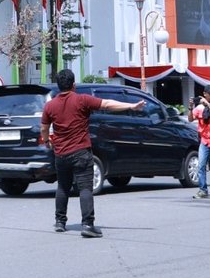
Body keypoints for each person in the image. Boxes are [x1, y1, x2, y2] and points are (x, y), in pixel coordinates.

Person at [40, 68, 142, 238]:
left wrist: (47, 141)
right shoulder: (82, 100)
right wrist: (131, 105)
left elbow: (44, 128)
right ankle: (87, 224)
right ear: (74, 85)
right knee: (85, 188)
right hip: (81, 152)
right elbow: (108, 104)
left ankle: (60, 222)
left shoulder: (50, 105)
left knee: (63, 187)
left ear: (59, 86)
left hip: (61, 154)